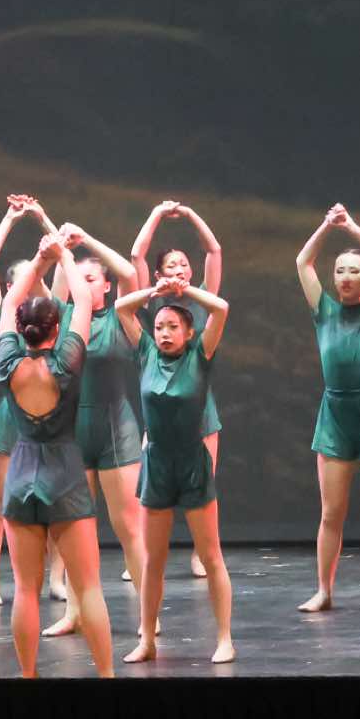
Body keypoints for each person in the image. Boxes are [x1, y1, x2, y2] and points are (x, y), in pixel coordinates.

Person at [0, 233, 115, 677]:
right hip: (64, 473)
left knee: (25, 590)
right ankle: (107, 676)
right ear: (55, 328)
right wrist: (62, 254)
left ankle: (29, 677)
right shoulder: (66, 362)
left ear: (23, 329)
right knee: (88, 588)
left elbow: (10, 301)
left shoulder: (8, 362)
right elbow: (83, 299)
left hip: (21, 473)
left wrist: (38, 260)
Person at [114, 272, 234, 663]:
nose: (164, 333)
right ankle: (147, 639)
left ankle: (224, 638)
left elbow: (221, 308)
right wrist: (155, 291)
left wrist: (184, 290)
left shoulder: (200, 355)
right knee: (153, 561)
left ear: (189, 332)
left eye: (173, 327)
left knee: (211, 555)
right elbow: (121, 308)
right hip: (158, 464)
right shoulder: (146, 352)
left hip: (192, 463)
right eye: (160, 326)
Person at [295, 204, 360, 615]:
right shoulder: (324, 311)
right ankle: (324, 590)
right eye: (340, 270)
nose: (346, 277)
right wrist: (327, 225)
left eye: (355, 270)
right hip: (335, 416)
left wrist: (353, 228)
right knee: (331, 513)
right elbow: (303, 262)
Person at [131, 199, 222, 577]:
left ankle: (202, 553)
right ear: (158, 274)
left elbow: (214, 251)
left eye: (184, 264)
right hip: (161, 400)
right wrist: (155, 214)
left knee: (203, 480)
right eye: (171, 265)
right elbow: (136, 256)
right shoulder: (151, 305)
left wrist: (189, 214)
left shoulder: (201, 298)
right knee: (153, 481)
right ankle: (147, 553)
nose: (180, 270)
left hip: (197, 400)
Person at [0, 194, 58, 605]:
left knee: (55, 502)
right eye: (24, 279)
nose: (33, 282)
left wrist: (42, 222)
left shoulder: (52, 317)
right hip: (11, 420)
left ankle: (56, 578)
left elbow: (57, 265)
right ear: (12, 288)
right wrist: (10, 219)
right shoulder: (5, 317)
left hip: (50, 419)